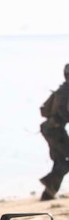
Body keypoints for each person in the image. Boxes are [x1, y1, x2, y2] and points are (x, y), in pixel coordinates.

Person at [39, 64, 69, 201]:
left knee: (60, 160)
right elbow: (63, 113)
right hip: (55, 130)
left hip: (51, 129)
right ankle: (49, 183)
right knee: (66, 160)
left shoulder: (62, 89)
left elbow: (44, 110)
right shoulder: (66, 90)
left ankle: (48, 194)